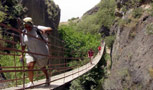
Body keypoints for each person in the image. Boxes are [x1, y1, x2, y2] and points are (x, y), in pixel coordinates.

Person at [20, 17, 52, 87]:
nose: (27, 27)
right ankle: (31, 82)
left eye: (29, 26)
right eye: (26, 26)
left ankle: (47, 77)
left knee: (42, 67)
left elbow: (50, 29)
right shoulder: (23, 33)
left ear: (31, 24)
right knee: (29, 66)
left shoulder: (37, 28)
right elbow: (23, 45)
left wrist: (45, 30)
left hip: (41, 52)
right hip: (30, 52)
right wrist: (21, 54)